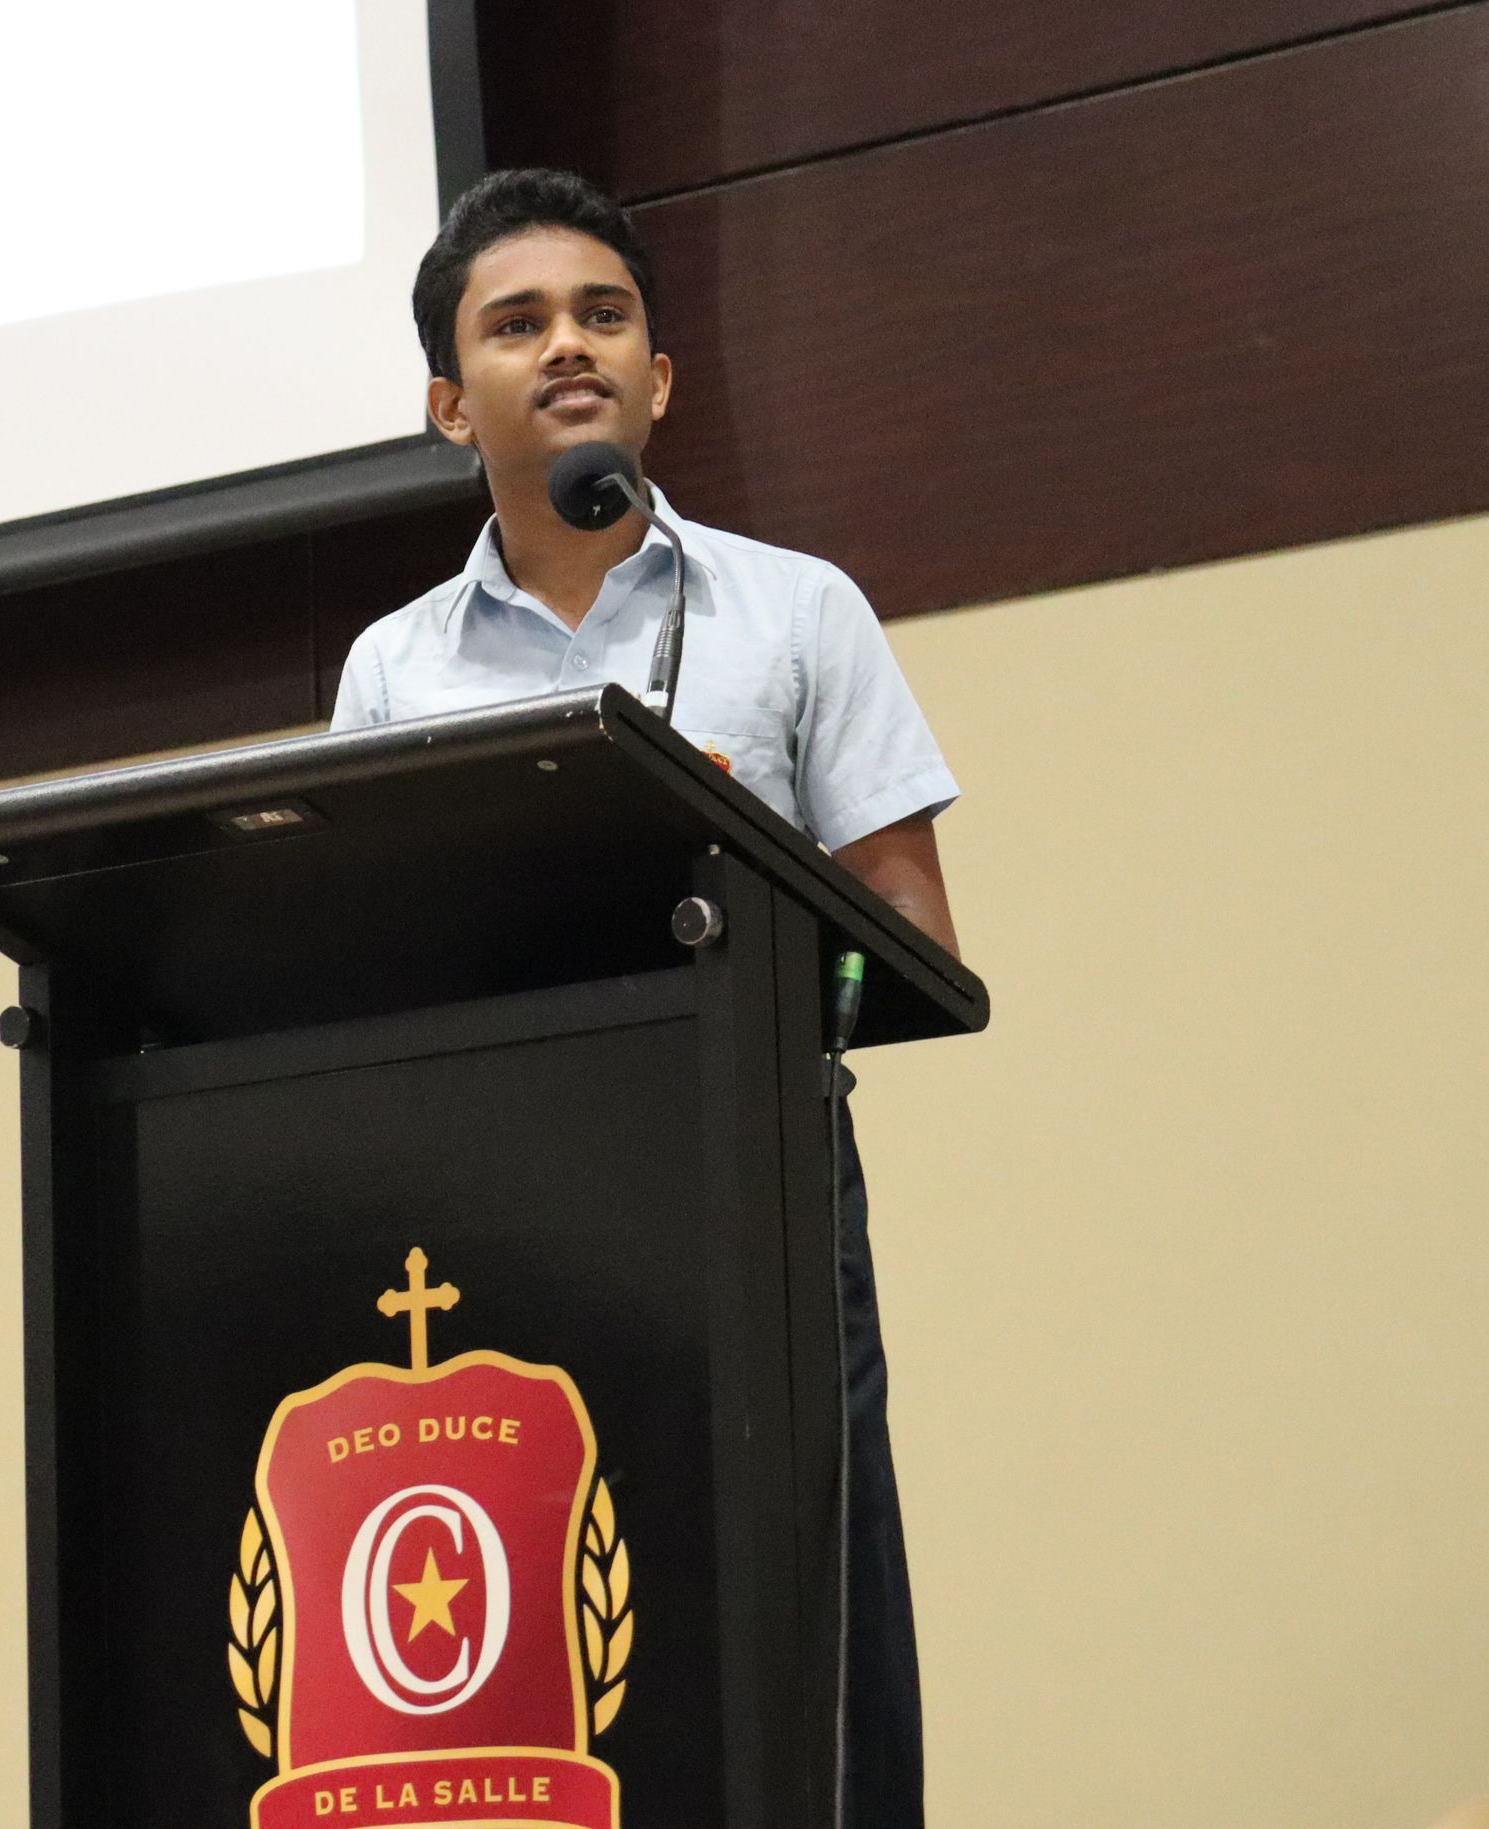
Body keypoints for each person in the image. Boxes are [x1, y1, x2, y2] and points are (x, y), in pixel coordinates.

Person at [331, 166, 961, 1826]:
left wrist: (763, 899)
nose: (568, 345)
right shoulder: (394, 668)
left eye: (602, 314)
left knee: (803, 1614)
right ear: (448, 402)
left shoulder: (795, 610)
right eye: (517, 322)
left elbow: (909, 933)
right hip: (502, 1209)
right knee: (561, 1641)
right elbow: (356, 958)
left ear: (659, 377)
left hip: (754, 1171)